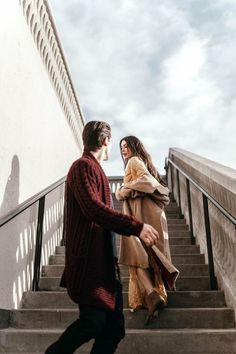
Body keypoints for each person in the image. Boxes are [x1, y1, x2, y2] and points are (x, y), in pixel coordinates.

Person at [45, 122, 159, 354]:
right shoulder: (82, 166)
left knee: (114, 330)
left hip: (105, 266)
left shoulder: (95, 170)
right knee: (93, 322)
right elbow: (93, 209)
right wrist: (136, 226)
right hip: (88, 263)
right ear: (106, 141)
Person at [115, 136, 179, 325]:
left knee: (136, 257)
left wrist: (123, 190)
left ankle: (153, 297)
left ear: (134, 146)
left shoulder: (134, 161)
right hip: (143, 212)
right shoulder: (137, 161)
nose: (124, 150)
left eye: (126, 146)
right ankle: (153, 298)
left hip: (142, 214)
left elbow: (147, 181)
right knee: (142, 258)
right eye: (121, 147)